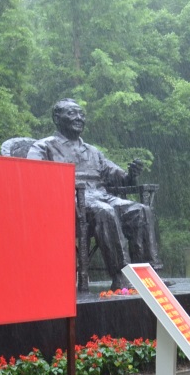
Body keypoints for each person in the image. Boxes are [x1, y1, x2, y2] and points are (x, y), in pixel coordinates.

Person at [28, 98, 160, 290]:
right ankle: (121, 275)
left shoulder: (92, 151)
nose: (78, 118)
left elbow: (117, 177)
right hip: (67, 204)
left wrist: (131, 174)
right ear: (57, 118)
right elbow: (33, 175)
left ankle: (147, 275)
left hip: (101, 196)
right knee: (105, 211)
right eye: (72, 113)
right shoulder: (44, 146)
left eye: (81, 114)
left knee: (141, 211)